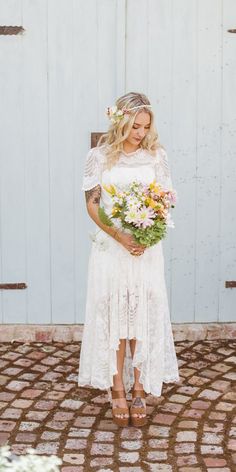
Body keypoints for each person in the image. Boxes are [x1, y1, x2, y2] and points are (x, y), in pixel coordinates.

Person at [78, 92, 180, 427]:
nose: (140, 133)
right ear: (121, 121)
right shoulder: (99, 156)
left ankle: (139, 386)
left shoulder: (156, 156)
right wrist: (119, 234)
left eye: (145, 126)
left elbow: (165, 200)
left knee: (141, 317)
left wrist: (148, 228)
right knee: (115, 317)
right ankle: (116, 387)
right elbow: (93, 204)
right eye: (135, 126)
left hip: (145, 250)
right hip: (111, 248)